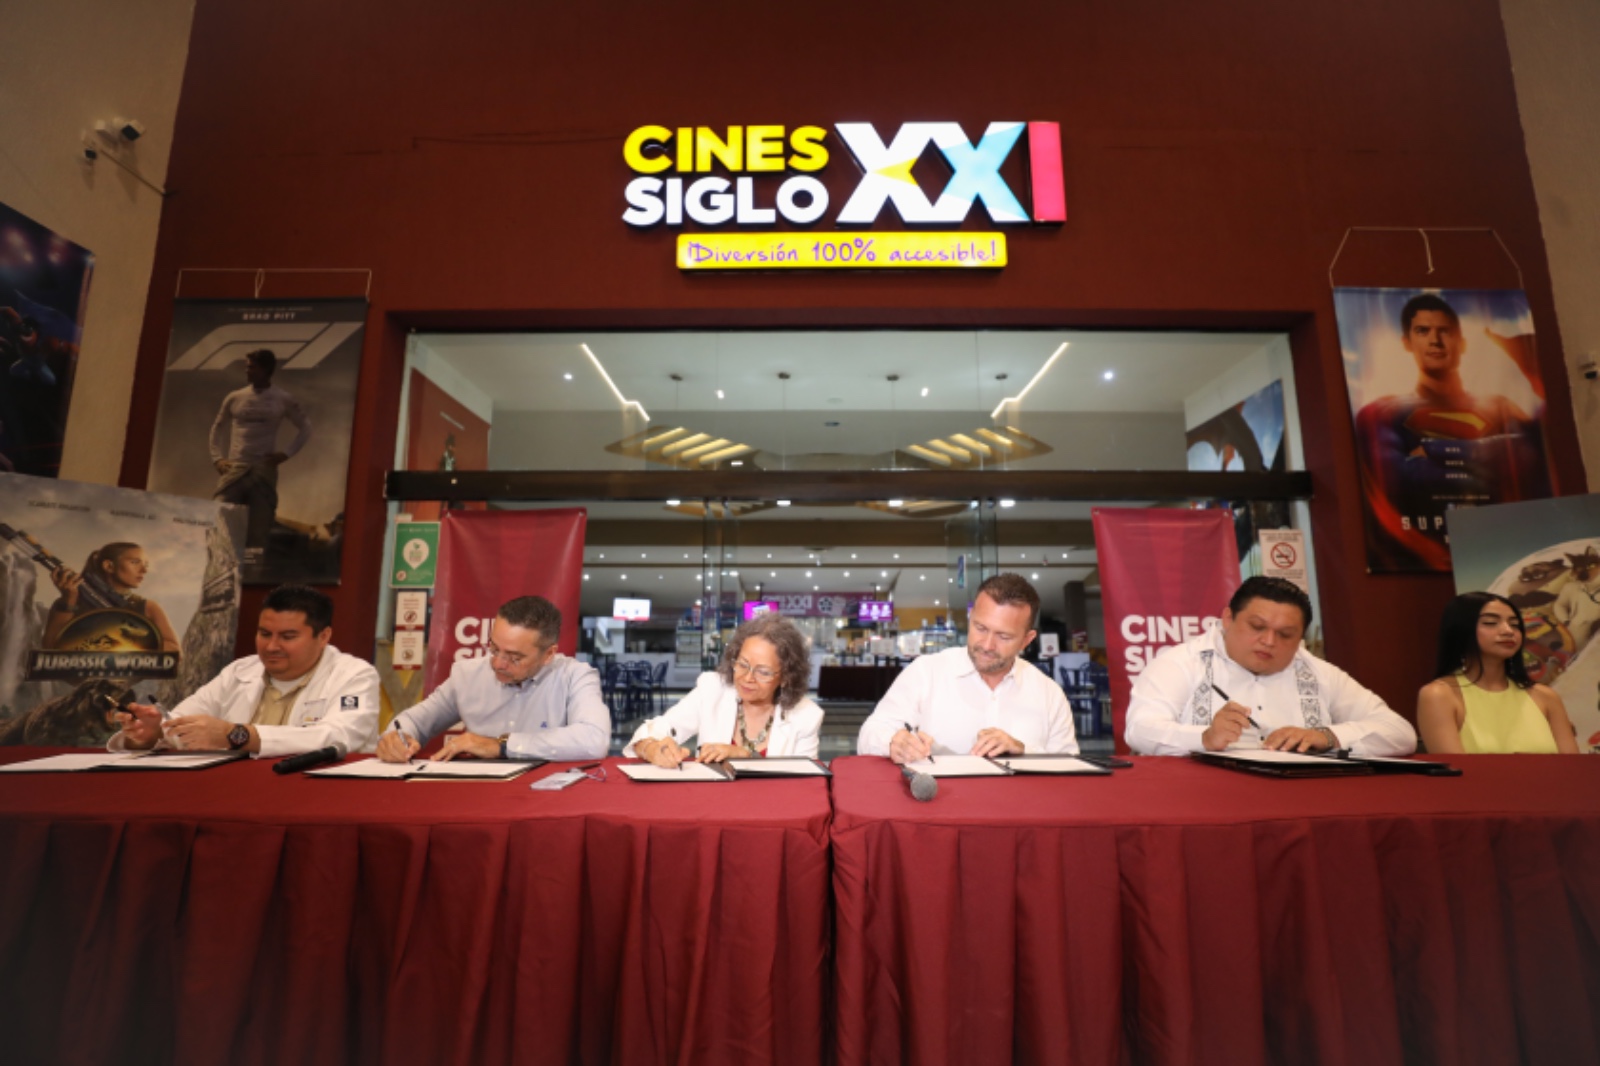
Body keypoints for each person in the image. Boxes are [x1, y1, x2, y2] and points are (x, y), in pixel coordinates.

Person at [1353, 293, 1550, 569]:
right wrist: (1494, 455)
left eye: (1444, 331)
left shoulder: (1500, 407)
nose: (1435, 340)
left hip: (1503, 553)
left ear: (1462, 342)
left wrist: (1433, 450)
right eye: (1423, 331)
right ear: (1407, 343)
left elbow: (1530, 464)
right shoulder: (1380, 413)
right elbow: (1401, 481)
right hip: (1424, 563)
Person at [1125, 576, 1417, 756]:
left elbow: (1400, 733)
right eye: (1257, 627)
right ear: (1227, 619)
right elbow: (1140, 730)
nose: (1268, 641)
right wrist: (1204, 738)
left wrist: (1326, 736)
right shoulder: (1181, 663)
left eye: (1285, 635)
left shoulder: (1318, 672)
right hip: (1204, 801)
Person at [109, 585, 379, 756]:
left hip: (314, 796)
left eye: (288, 636)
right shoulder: (240, 671)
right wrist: (154, 733)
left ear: (323, 636)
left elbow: (338, 737)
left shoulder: (354, 674)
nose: (271, 646)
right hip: (233, 791)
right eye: (264, 633)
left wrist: (236, 735)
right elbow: (184, 721)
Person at [858, 573, 1078, 762]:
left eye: (1004, 636)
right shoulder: (926, 672)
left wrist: (1024, 751)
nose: (987, 645)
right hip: (939, 798)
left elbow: (1070, 767)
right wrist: (893, 742)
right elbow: (869, 734)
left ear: (1026, 640)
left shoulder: (1049, 694)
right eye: (980, 628)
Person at [378, 595, 608, 762]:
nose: (498, 664)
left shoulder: (574, 676)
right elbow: (416, 721)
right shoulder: (467, 675)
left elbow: (594, 740)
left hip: (546, 795)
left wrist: (501, 746)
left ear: (549, 654)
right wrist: (396, 739)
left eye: (515, 658)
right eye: (494, 649)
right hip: (479, 794)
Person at [626, 613, 823, 766]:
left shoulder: (807, 716)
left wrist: (746, 757)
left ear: (786, 677)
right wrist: (650, 748)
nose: (748, 678)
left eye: (763, 672)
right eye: (743, 664)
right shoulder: (712, 689)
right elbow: (658, 728)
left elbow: (805, 785)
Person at [1416, 592, 1578, 754]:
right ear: (1460, 630)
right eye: (1490, 623)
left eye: (1515, 624)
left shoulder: (1546, 696)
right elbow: (1453, 767)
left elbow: (1571, 765)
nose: (1508, 631)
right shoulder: (1439, 695)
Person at [210, 348, 312, 555]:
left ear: (266, 369)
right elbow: (217, 427)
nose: (247, 371)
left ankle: (253, 571)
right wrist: (217, 458)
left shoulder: (282, 398)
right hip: (235, 469)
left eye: (251, 367)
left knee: (258, 531)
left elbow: (305, 427)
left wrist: (285, 454)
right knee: (219, 517)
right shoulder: (235, 397)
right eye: (247, 367)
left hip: (262, 472)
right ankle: (219, 567)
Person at [44, 541, 180, 651]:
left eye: (146, 565)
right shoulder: (69, 600)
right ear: (109, 566)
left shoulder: (148, 607)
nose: (144, 570)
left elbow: (174, 650)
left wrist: (132, 641)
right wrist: (68, 601)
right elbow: (50, 649)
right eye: (134, 562)